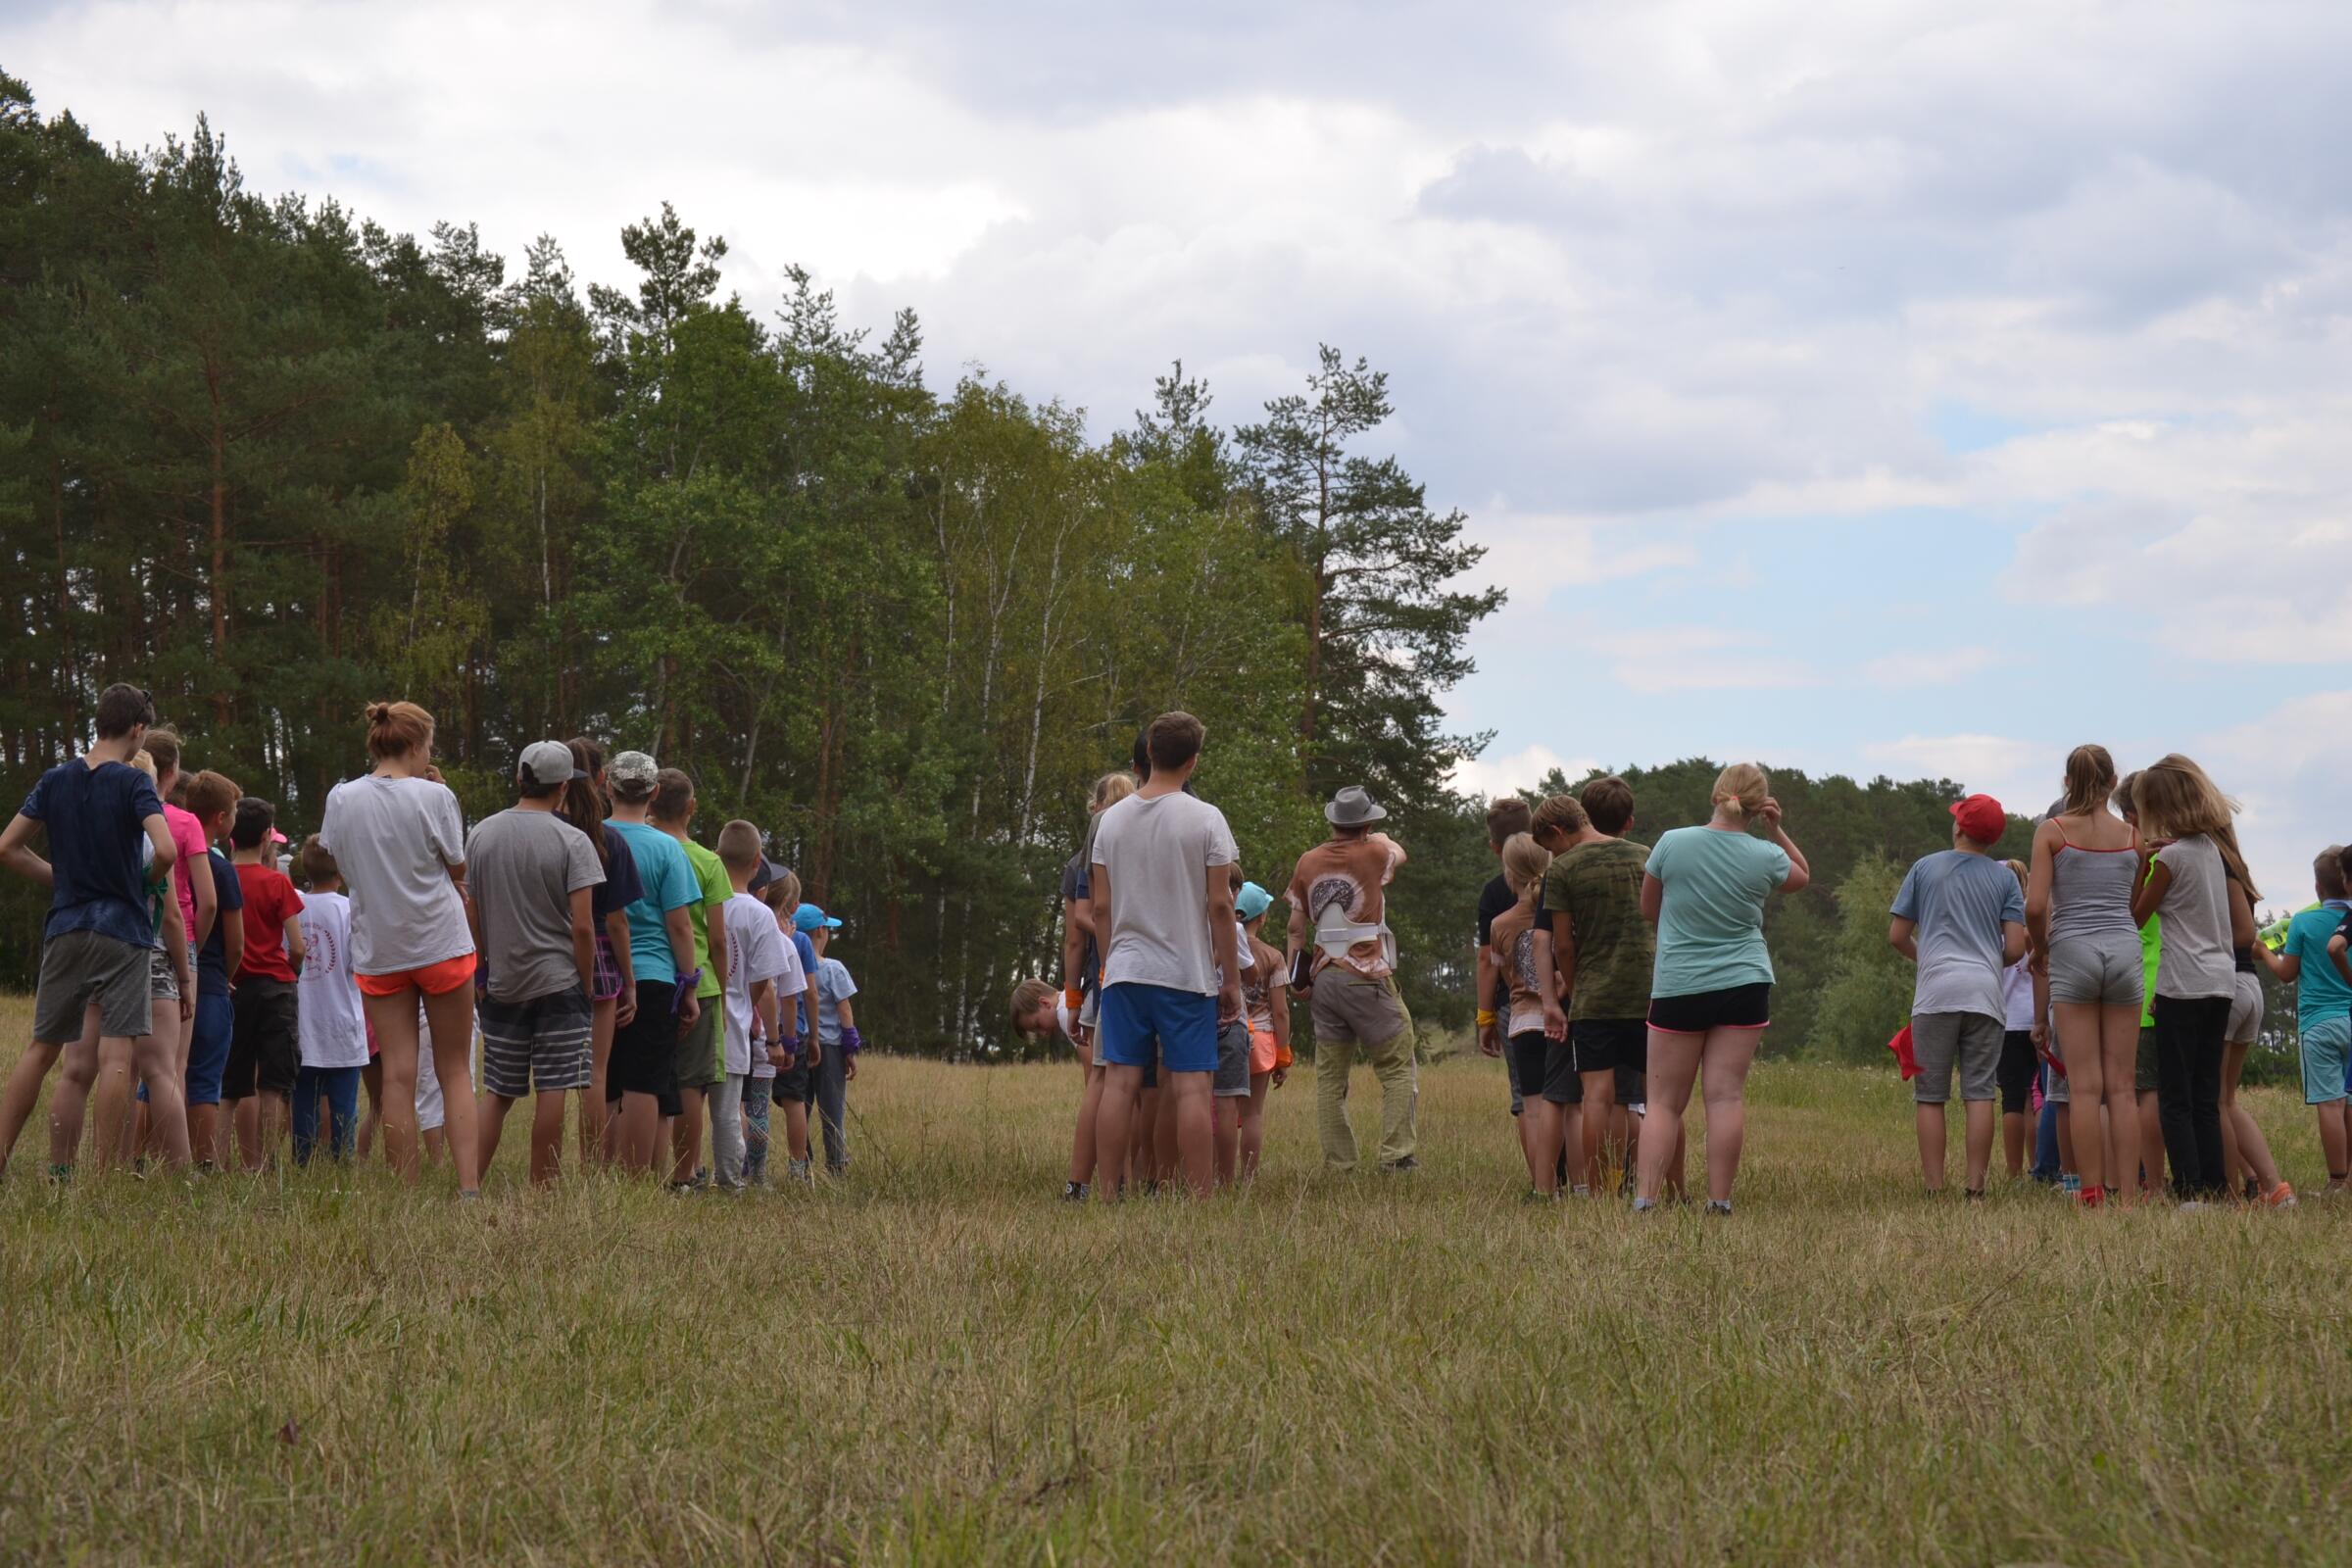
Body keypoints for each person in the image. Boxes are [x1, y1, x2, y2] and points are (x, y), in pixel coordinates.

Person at [0, 684, 181, 1177]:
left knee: (42, 1048)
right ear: (138, 730)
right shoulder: (132, 783)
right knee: (117, 1052)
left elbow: (8, 847)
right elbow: (165, 851)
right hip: (122, 931)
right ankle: (104, 1174)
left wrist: (61, 879)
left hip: (65, 925)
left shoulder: (55, 780)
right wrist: (138, 883)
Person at [318, 701, 483, 1198]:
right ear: (414, 745)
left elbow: (339, 859)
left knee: (397, 1075)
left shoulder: (341, 798)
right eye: (429, 745)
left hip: (380, 948)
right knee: (454, 1068)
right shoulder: (434, 797)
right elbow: (457, 867)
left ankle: (406, 1188)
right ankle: (468, 1187)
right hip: (439, 942)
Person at [1634, 761, 1810, 1213]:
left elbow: (1648, 909)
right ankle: (1719, 1202)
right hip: (1744, 982)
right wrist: (1777, 831)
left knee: (1663, 1102)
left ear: (1716, 795)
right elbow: (1801, 875)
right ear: (1759, 807)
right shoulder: (1765, 855)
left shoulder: (1672, 843)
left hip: (1680, 983)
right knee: (1725, 1095)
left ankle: (1646, 1201)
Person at [1092, 710, 1241, 1199]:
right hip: (1186, 972)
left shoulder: (1109, 821)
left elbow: (1100, 906)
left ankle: (1110, 1193)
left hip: (1126, 970)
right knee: (1193, 1087)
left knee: (1119, 1084)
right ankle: (1199, 1198)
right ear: (1193, 762)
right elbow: (1220, 904)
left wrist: (1108, 961)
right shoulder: (1207, 819)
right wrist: (1231, 980)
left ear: (1148, 754)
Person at [466, 741, 604, 1187]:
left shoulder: (482, 834)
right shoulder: (573, 840)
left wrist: (482, 970)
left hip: (503, 981)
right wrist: (586, 984)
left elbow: (473, 911)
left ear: (519, 778)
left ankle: (471, 1183)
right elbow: (583, 926)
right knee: (553, 1089)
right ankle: (541, 1188)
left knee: (498, 1093)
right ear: (563, 787)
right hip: (559, 980)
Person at [2125, 756, 2251, 1205]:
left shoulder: (2170, 859)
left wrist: (2142, 862)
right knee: (2205, 1094)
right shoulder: (2213, 854)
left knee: (2174, 1096)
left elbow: (2135, 917)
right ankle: (2217, 1186)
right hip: (2220, 982)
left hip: (2181, 983)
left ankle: (2190, 1190)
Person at [1889, 794, 2028, 1198]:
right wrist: (1986, 963)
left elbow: (1897, 935)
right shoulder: (2005, 880)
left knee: (1931, 1096)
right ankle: (1975, 1190)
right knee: (1980, 1092)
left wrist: (1926, 959)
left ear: (1958, 827)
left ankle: (1934, 1188)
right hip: (1985, 995)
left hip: (1935, 993)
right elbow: (2017, 950)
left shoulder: (1924, 868)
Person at [2025, 745, 2141, 1209]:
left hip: (2072, 949)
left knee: (2085, 1087)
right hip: (2124, 949)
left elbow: (2035, 906)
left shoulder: (2051, 832)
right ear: (2114, 782)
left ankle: (2091, 1192)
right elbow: (2130, 901)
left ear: (2067, 781)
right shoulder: (2134, 836)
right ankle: (2129, 1196)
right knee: (2123, 1086)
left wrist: (2040, 947)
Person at [1285, 783, 1413, 1174]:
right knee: (1397, 1064)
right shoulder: (1374, 851)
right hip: (1365, 974)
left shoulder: (1307, 861)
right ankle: (1396, 1156)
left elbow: (1295, 928)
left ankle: (1339, 1163)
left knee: (1330, 1077)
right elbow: (1400, 855)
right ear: (1366, 823)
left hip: (1324, 978)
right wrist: (1383, 837)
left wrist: (1298, 976)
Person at [1546, 775, 1661, 1196]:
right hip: (1647, 992)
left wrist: (1576, 992)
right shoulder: (1646, 857)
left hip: (1594, 995)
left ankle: (1596, 1189)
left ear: (1583, 813)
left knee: (1596, 1095)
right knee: (1654, 1099)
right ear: (1629, 821)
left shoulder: (1563, 868)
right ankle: (1654, 1183)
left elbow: (1563, 944)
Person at [601, 751, 702, 1178]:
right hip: (655, 976)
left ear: (607, 785)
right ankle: (636, 1178)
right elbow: (680, 926)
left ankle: (599, 1171)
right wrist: (690, 985)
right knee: (644, 1081)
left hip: (600, 975)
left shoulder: (590, 837)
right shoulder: (666, 849)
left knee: (604, 1079)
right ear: (654, 792)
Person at [2250, 846, 2352, 1192]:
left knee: (2331, 1102)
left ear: (2318, 888)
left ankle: (2337, 1181)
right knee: (2351, 1101)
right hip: (2350, 1017)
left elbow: (2286, 973)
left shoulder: (2304, 923)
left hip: (2318, 1024)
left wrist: (2264, 951)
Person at [135, 727, 216, 1158]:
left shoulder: (124, 813)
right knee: (171, 1066)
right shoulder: (185, 824)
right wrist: (193, 954)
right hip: (175, 940)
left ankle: (128, 1156)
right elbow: (208, 903)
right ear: (172, 771)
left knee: (127, 1065)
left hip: (125, 937)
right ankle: (173, 1164)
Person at [1058, 770, 1139, 1200]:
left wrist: (1073, 998)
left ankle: (1083, 1182)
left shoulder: (1079, 864)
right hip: (1154, 977)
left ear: (1095, 808)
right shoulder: (1144, 850)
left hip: (1104, 981)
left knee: (1104, 1084)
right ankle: (1135, 1179)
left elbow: (1075, 937)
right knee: (1142, 1087)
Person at [562, 737, 640, 1165]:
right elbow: (616, 921)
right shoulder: (608, 841)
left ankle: (546, 1172)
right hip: (601, 965)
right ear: (601, 779)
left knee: (554, 1079)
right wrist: (630, 983)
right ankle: (593, 1171)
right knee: (596, 1074)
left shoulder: (545, 832)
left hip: (542, 959)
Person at [652, 767, 730, 1189]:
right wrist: (724, 983)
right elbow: (717, 937)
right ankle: (685, 1175)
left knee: (650, 1080)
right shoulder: (707, 862)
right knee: (691, 1085)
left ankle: (644, 1168)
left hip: (652, 978)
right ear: (691, 808)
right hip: (700, 984)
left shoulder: (640, 847)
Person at [715, 819, 799, 1191]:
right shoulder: (760, 915)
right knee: (729, 1109)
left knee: (688, 1098)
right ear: (756, 862)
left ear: (717, 856)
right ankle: (732, 1180)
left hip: (699, 1012)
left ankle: (686, 1175)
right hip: (736, 1021)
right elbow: (765, 983)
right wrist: (774, 1038)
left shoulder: (705, 900)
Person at [225, 797, 305, 1172]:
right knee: (273, 1083)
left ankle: (216, 1160)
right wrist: (292, 967)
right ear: (264, 839)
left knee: (230, 1081)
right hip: (275, 987)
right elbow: (299, 944)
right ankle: (268, 1164)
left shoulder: (220, 877)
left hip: (233, 987)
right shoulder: (276, 882)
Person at [1492, 832, 1568, 1196]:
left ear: (1510, 873)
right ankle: (1582, 1185)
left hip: (1523, 1020)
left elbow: (1505, 974)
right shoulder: (1562, 912)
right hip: (1563, 1017)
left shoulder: (1500, 924)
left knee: (1534, 1107)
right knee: (1573, 1105)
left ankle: (1543, 1188)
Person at [180, 769, 245, 1167]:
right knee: (205, 1079)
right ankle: (203, 1166)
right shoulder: (220, 870)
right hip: (209, 981)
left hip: (167, 978)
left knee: (157, 1079)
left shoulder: (169, 855)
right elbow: (236, 940)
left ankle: (139, 1160)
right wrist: (225, 973)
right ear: (221, 818)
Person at [2219, 861, 2290, 1205]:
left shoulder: (2208, 860)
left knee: (2215, 1101)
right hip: (2251, 985)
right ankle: (2273, 1186)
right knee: (2228, 1100)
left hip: (2225, 985)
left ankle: (2230, 1194)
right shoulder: (2237, 866)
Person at [291, 836, 365, 1164]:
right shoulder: (350, 910)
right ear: (343, 870)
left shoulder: (294, 907)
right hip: (343, 1022)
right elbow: (356, 962)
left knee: (303, 1098)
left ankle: (302, 1160)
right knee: (344, 1103)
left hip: (303, 1022)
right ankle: (343, 1160)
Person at [755, 864, 822, 1183]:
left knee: (751, 1101)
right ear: (793, 904)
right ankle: (798, 1169)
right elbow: (808, 993)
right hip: (789, 1031)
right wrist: (811, 1037)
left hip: (754, 1028)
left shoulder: (754, 924)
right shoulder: (800, 943)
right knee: (795, 1102)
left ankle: (748, 1165)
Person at [1476, 796, 1536, 1115]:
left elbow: (1487, 960)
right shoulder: (1562, 877)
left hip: (1512, 1006)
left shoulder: (1493, 892)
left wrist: (1485, 1017)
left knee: (1526, 1098)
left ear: (1495, 847)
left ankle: (1544, 1169)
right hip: (1567, 1001)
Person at [1235, 880, 1292, 1180]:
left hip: (1225, 1034)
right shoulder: (1273, 956)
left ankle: (1219, 1175)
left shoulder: (1218, 946)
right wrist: (1283, 1054)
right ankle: (1247, 1180)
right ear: (1263, 917)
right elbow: (1280, 1011)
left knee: (1222, 1110)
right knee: (1253, 1113)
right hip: (1263, 1041)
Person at [799, 903, 860, 1172]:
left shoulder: (793, 967)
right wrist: (851, 1047)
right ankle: (836, 1163)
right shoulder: (834, 969)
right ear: (820, 931)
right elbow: (844, 1009)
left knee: (800, 1107)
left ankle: (801, 1162)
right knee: (832, 1109)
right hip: (831, 1048)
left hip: (800, 1043)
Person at [1997, 860, 2040, 1180]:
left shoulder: (1993, 923)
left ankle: (2014, 1174)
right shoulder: (2035, 920)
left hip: (2007, 1020)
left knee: (2012, 1100)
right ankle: (2038, 1165)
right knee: (2036, 1098)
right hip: (2036, 1018)